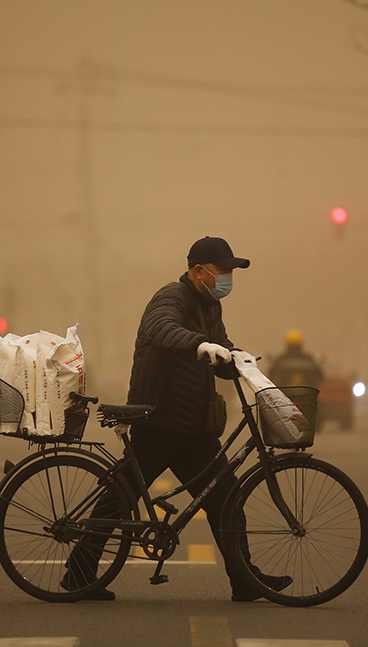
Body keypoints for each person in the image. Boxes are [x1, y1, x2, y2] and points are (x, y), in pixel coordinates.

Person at [63, 236, 292, 602]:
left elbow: (218, 349)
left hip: (192, 426)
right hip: (160, 418)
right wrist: (200, 345)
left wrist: (236, 358)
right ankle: (79, 573)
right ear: (198, 271)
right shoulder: (171, 297)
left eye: (231, 271)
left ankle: (245, 580)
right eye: (222, 271)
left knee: (226, 497)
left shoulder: (209, 305)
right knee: (120, 497)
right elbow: (162, 329)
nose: (227, 278)